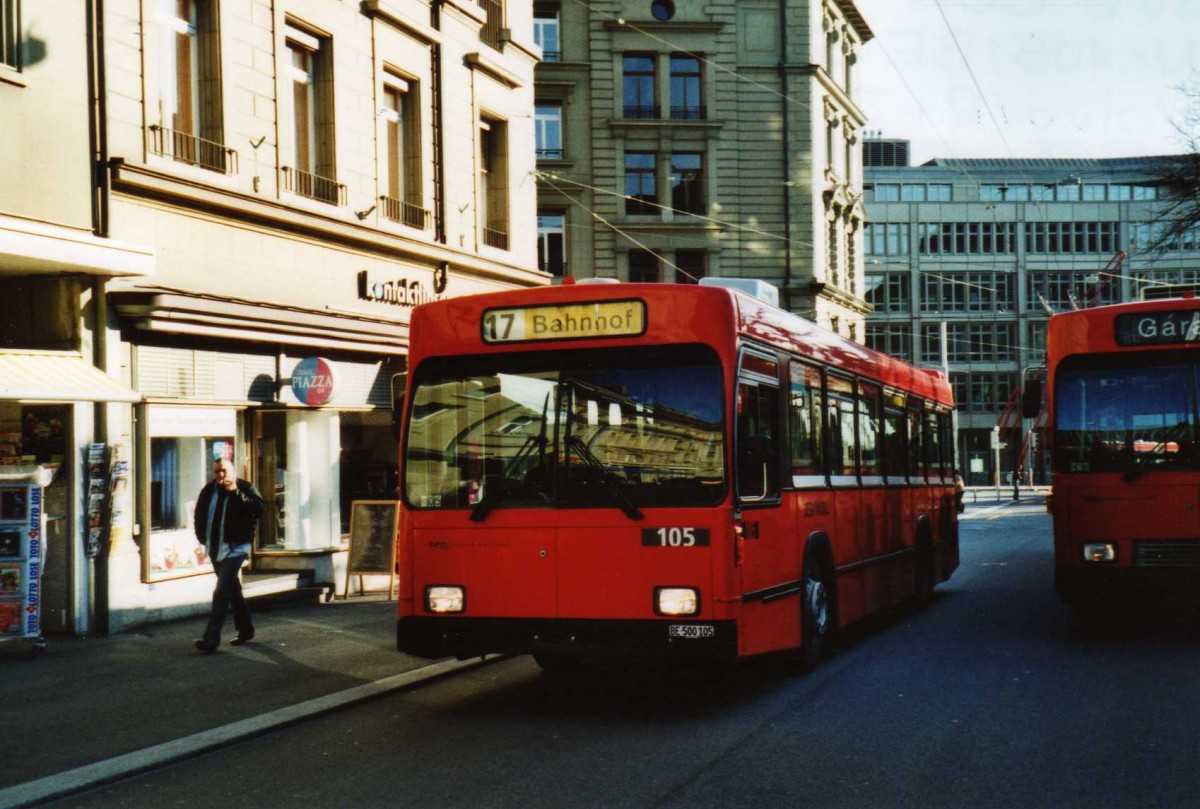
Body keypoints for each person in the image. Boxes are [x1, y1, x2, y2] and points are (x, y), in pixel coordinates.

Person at [193, 458, 264, 653]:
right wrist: (202, 537)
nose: (220, 476)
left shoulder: (245, 488)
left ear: (232, 471)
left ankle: (211, 639)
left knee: (221, 590)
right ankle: (246, 629)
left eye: (224, 471)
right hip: (216, 547)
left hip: (237, 547)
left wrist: (235, 492)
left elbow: (258, 510)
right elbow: (199, 514)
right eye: (217, 472)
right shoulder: (209, 490)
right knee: (233, 590)